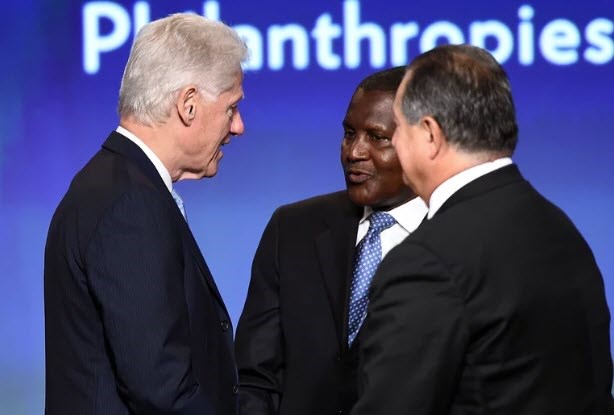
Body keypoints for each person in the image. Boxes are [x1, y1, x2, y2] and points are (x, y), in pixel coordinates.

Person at [351, 44, 613, 414]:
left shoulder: (426, 261)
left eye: (399, 129)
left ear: (430, 134)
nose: (394, 142)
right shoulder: (560, 230)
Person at [44, 13, 247, 415]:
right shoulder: (129, 203)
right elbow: (162, 388)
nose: (238, 126)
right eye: (231, 108)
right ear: (188, 104)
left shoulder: (115, 183)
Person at [234, 67, 428, 415]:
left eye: (377, 137)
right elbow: (255, 377)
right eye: (349, 133)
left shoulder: (461, 243)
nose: (354, 151)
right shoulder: (292, 229)